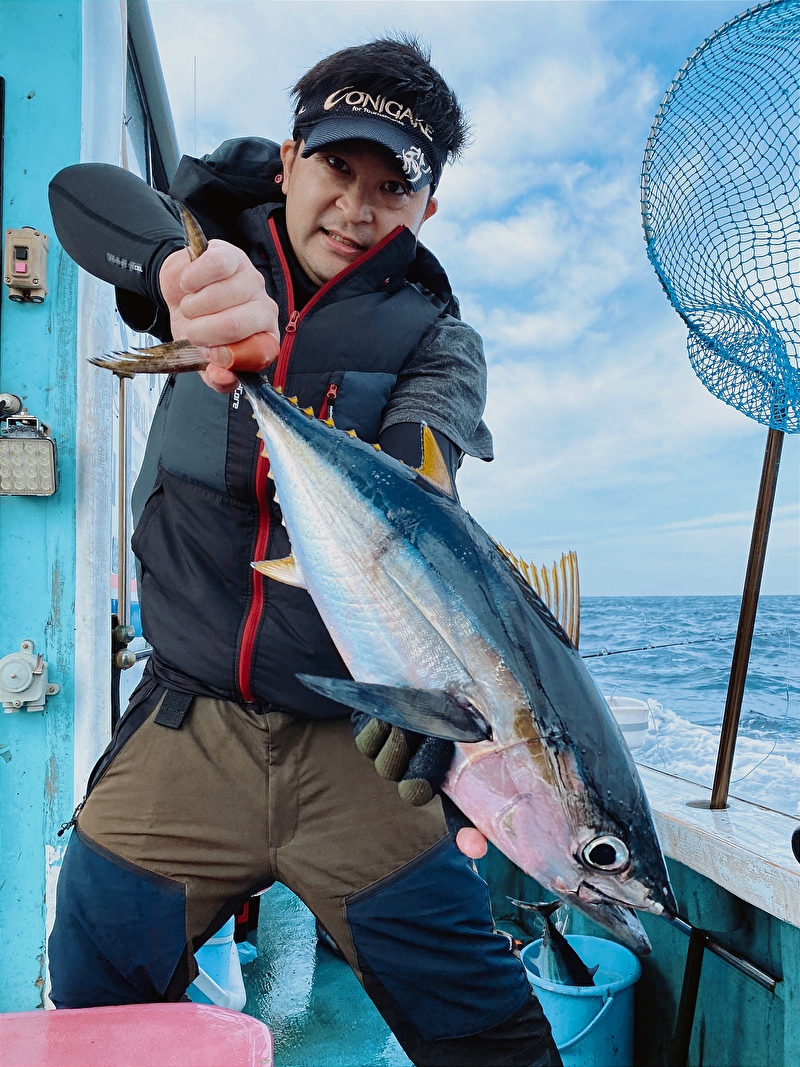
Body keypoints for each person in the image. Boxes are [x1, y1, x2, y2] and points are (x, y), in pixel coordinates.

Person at [47, 37, 561, 1067]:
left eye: (392, 186)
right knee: (93, 1004)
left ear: (427, 208)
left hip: (360, 750)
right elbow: (79, 193)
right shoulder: (209, 250)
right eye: (335, 167)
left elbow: (424, 477)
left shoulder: (435, 338)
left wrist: (438, 698)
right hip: (190, 725)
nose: (355, 208)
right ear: (288, 162)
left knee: (493, 1037)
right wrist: (178, 272)